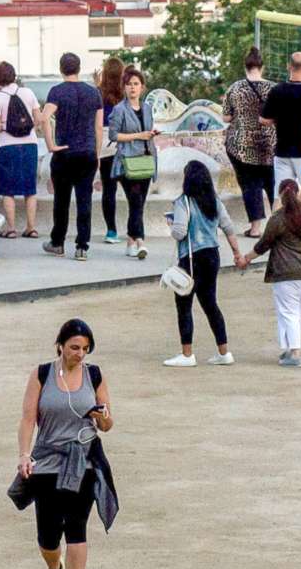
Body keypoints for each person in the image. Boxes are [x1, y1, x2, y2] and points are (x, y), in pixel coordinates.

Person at [10, 317, 119, 569]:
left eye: (85, 348)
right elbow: (28, 418)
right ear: (60, 345)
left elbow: (108, 425)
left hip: (82, 460)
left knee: (76, 528)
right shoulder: (42, 374)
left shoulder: (94, 375)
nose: (79, 354)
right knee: (47, 536)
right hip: (46, 461)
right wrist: (24, 454)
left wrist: (102, 417)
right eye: (74, 347)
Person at [163, 159, 234, 366]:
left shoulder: (183, 202)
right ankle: (224, 352)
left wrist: (171, 223)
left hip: (192, 258)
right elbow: (228, 226)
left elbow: (179, 232)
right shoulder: (214, 200)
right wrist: (237, 252)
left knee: (184, 305)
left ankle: (187, 354)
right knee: (210, 304)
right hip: (212, 255)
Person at [43, 52, 107, 261]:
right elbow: (99, 127)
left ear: (61, 69)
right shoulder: (93, 93)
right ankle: (82, 247)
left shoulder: (57, 92)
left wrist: (51, 145)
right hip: (87, 152)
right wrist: (97, 153)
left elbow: (44, 118)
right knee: (84, 200)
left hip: (64, 152)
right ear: (79, 69)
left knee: (61, 200)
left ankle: (58, 242)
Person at [258, 177, 301, 368]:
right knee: (296, 310)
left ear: (280, 195)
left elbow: (264, 244)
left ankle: (294, 351)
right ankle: (287, 347)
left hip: (286, 271)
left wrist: (246, 257)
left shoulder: (278, 218)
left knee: (288, 310)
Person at [106, 67, 159, 260]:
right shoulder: (119, 110)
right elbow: (113, 135)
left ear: (142, 87)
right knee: (136, 201)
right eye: (129, 84)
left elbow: (148, 131)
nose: (132, 88)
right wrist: (139, 135)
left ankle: (130, 242)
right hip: (127, 162)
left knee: (138, 204)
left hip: (145, 160)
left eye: (136, 84)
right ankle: (141, 242)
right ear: (124, 88)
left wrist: (151, 134)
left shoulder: (146, 108)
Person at [224, 47, 277, 235]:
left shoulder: (235, 88)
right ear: (262, 66)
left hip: (242, 146)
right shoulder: (274, 89)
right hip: (270, 145)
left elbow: (227, 118)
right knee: (274, 185)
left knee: (250, 185)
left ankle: (255, 228)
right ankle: (279, 225)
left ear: (245, 66)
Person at [0, 63, 41, 239]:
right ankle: (31, 227)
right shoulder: (29, 93)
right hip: (30, 144)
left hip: (8, 146)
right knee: (30, 188)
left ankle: (10, 228)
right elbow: (38, 120)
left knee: (7, 189)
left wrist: (7, 124)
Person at [263, 50, 301, 194]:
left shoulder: (276, 91)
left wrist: (279, 118)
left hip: (282, 151)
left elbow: (264, 119)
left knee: (281, 195)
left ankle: (276, 217)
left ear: (288, 66)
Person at [95, 56, 128, 243]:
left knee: (109, 189)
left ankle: (111, 231)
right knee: (133, 190)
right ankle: (135, 232)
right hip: (125, 142)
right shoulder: (126, 92)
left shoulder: (98, 92)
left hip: (106, 144)